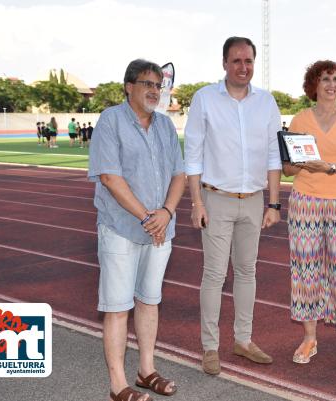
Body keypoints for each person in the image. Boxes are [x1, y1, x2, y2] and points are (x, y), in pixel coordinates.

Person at [88, 59, 185, 401]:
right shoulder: (111, 121)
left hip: (161, 230)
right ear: (129, 86)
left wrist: (167, 212)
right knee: (117, 306)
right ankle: (118, 384)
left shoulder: (165, 126)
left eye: (158, 85)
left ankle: (146, 371)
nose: (154, 91)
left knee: (149, 301)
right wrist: (148, 216)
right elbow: (110, 177)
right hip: (122, 229)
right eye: (147, 84)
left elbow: (179, 174)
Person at [184, 36, 282, 376]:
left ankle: (243, 339)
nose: (244, 66)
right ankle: (210, 347)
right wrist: (196, 202)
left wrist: (274, 203)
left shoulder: (266, 102)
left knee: (247, 272)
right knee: (214, 275)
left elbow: (273, 155)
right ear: (224, 63)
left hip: (254, 201)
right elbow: (193, 154)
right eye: (237, 60)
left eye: (249, 60)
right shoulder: (205, 99)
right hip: (216, 198)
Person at [282, 60, 336, 373]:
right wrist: (305, 164)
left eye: (335, 79)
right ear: (313, 85)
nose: (331, 84)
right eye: (324, 79)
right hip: (305, 201)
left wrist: (329, 166)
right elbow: (288, 169)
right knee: (305, 271)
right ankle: (309, 339)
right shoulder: (300, 119)